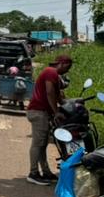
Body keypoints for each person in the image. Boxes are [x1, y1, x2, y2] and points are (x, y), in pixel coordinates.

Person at [26, 54, 72, 185]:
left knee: (43, 144)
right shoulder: (51, 72)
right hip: (38, 112)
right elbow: (50, 92)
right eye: (67, 67)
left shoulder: (53, 75)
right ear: (61, 64)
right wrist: (56, 112)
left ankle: (46, 172)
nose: (67, 71)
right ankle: (33, 173)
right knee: (38, 143)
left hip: (42, 112)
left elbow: (59, 96)